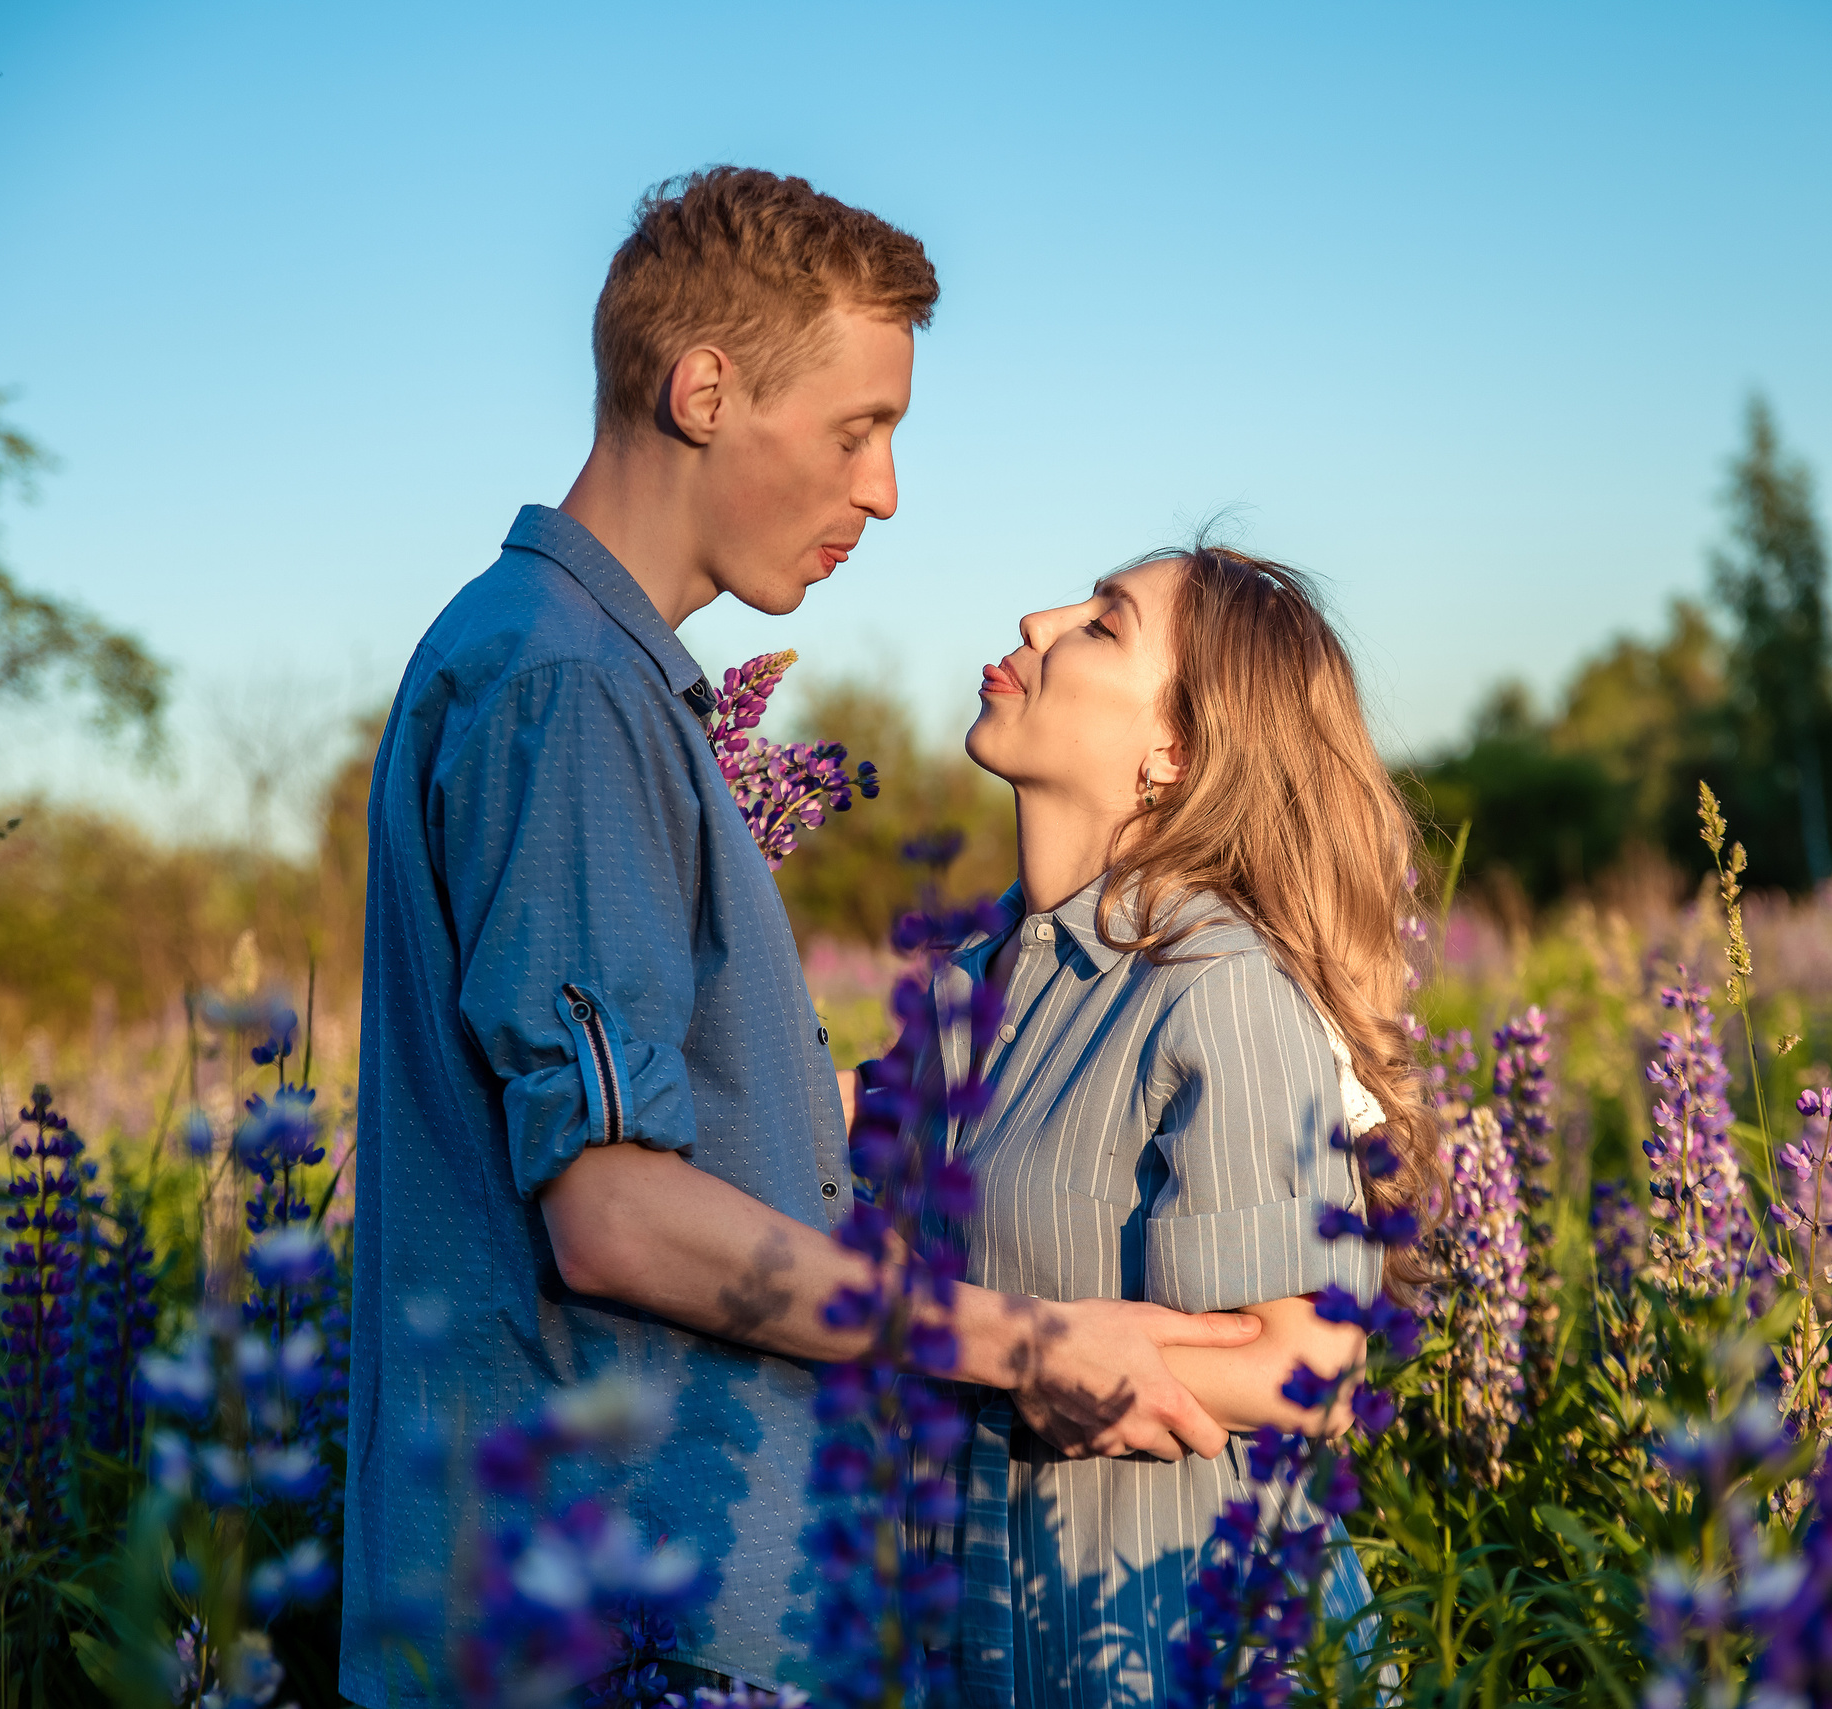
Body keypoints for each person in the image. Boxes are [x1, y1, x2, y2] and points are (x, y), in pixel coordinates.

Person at [340, 168, 1267, 1705]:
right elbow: (617, 1214)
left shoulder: (561, 669)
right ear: (703, 390)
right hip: (615, 1617)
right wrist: (1026, 1342)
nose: (887, 489)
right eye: (858, 429)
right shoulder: (567, 689)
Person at [942, 544, 1443, 1706]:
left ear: (1174, 752)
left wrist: (1036, 1344)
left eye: (1102, 623)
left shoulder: (1214, 981)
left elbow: (1311, 1360)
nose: (1038, 615)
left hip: (1193, 1656)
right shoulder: (972, 987)